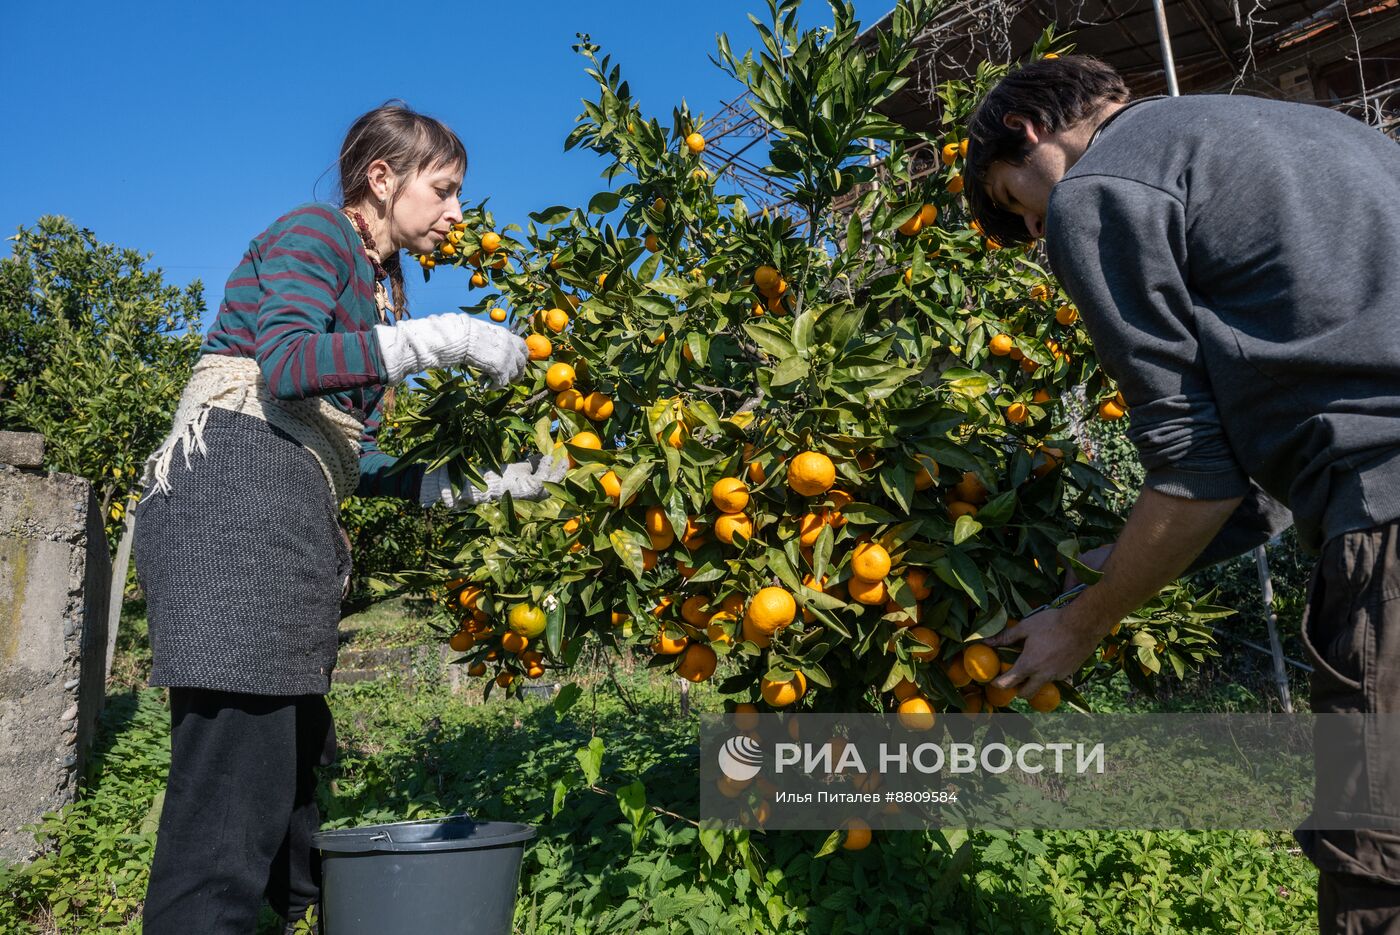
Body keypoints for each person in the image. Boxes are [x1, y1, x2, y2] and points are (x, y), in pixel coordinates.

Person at [963, 56, 1400, 932]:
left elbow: (1195, 469)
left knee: (1380, 857)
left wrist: (1082, 620)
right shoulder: (1327, 138)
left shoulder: (1103, 189)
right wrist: (1113, 563)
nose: (1042, 228)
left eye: (1018, 202)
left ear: (1026, 131)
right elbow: (1260, 466)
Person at [134, 101, 561, 934]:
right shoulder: (316, 235)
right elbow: (287, 365)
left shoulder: (373, 289)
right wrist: (442, 338)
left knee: (289, 818)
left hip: (282, 521)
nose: (458, 215)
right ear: (382, 178)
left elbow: (342, 456)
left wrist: (480, 483)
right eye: (444, 190)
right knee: (226, 824)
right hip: (234, 523)